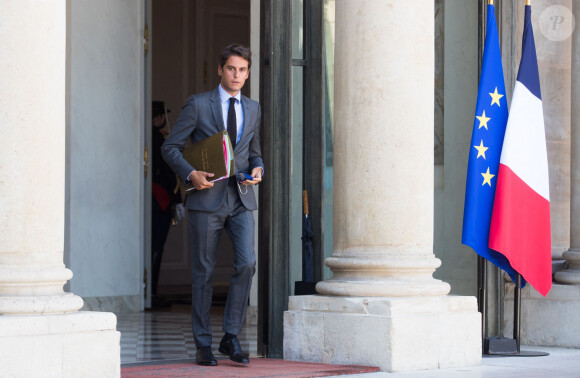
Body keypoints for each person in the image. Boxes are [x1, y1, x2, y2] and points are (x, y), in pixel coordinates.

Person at [161, 44, 263, 366]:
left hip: (241, 198)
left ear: (248, 72)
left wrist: (259, 169)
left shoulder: (254, 108)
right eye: (231, 69)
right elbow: (170, 147)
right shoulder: (198, 104)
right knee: (203, 273)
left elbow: (254, 151)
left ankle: (230, 336)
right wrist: (191, 173)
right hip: (206, 200)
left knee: (247, 263)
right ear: (220, 69)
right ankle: (203, 343)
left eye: (243, 70)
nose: (237, 76)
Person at [150, 101, 181, 308]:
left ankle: (151, 292)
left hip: (153, 197)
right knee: (156, 245)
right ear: (159, 117)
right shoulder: (161, 140)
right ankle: (151, 293)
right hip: (159, 197)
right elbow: (171, 174)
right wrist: (178, 201)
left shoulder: (150, 137)